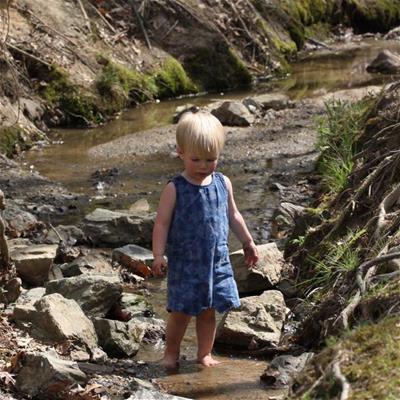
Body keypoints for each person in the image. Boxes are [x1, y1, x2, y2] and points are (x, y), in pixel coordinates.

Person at [152, 109, 258, 368]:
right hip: (186, 262)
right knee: (181, 312)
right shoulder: (175, 188)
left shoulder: (223, 183)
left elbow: (233, 215)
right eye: (196, 159)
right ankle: (171, 354)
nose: (203, 166)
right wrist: (158, 254)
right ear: (180, 152)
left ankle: (204, 354)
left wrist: (247, 241)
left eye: (210, 159)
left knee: (208, 311)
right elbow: (162, 223)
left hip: (216, 259)